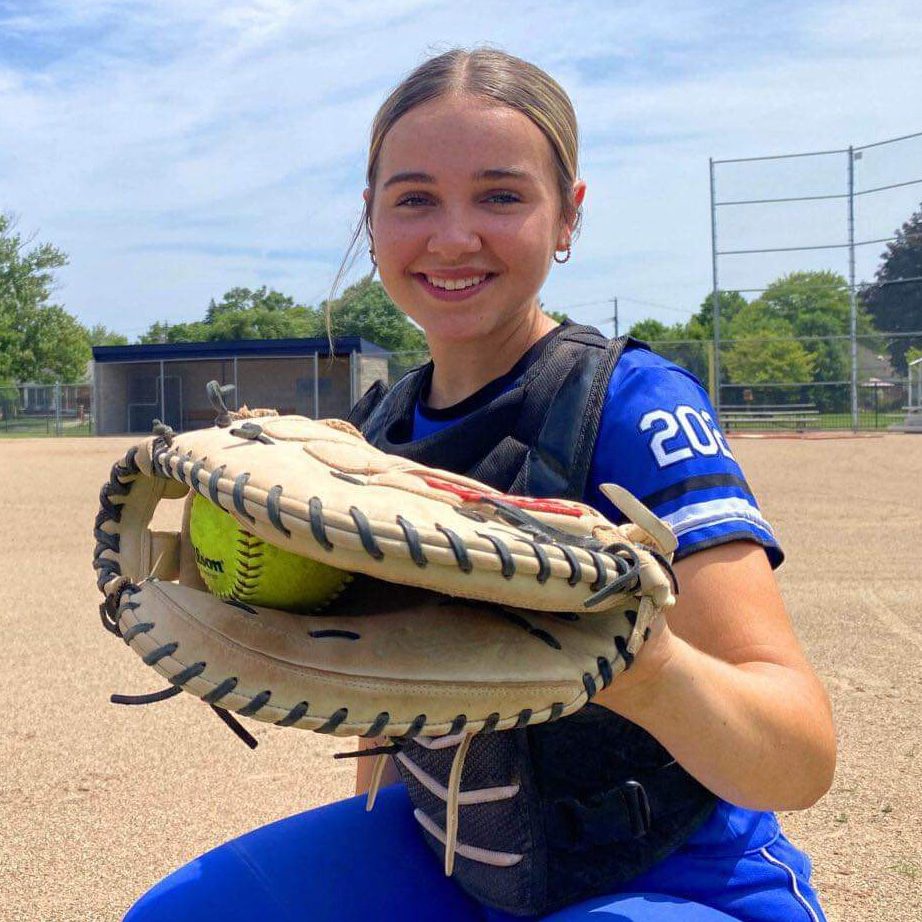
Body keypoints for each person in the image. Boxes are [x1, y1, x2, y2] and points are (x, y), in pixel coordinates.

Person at [125, 48, 835, 921]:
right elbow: (391, 698)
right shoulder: (371, 439)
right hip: (464, 858)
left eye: (501, 196)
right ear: (371, 218)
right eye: (415, 199)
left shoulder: (627, 404)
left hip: (678, 876)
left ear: (567, 216)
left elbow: (802, 756)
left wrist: (646, 670)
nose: (454, 237)